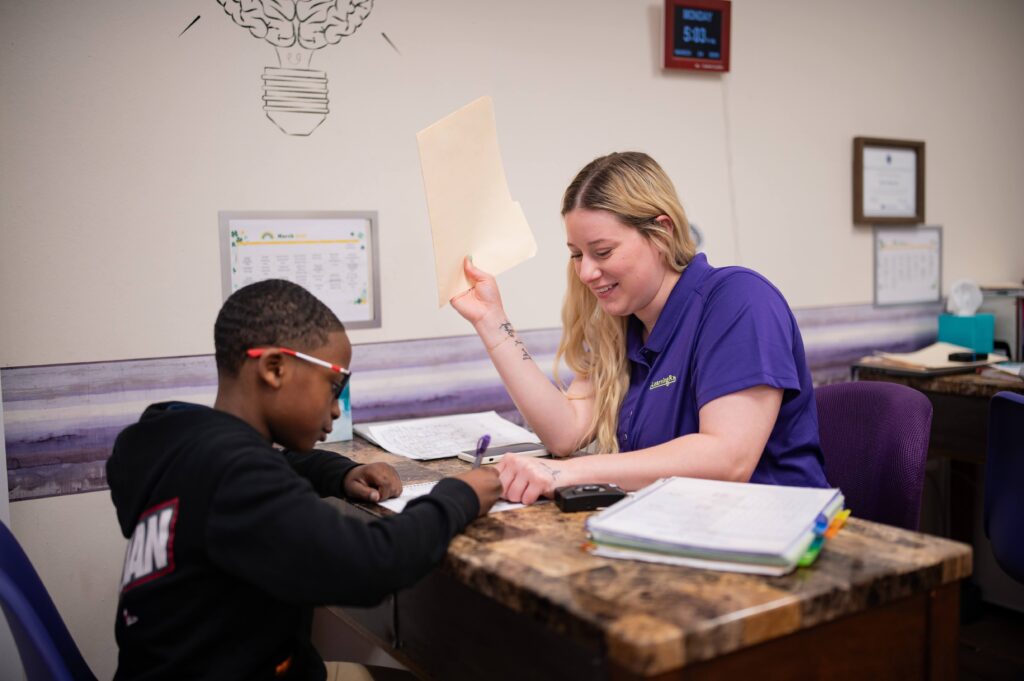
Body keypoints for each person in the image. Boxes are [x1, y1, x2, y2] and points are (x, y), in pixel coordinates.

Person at [107, 279, 501, 681]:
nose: (335, 409)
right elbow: (370, 565)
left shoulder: (177, 445)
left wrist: (339, 473)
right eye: (334, 386)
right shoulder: (234, 475)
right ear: (275, 368)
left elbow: (271, 467)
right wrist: (460, 494)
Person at [451, 151, 828, 504]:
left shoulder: (740, 299)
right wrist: (491, 322)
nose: (585, 272)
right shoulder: (624, 328)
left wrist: (564, 473)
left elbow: (727, 458)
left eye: (602, 252)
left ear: (661, 232)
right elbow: (565, 432)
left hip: (774, 537)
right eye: (577, 255)